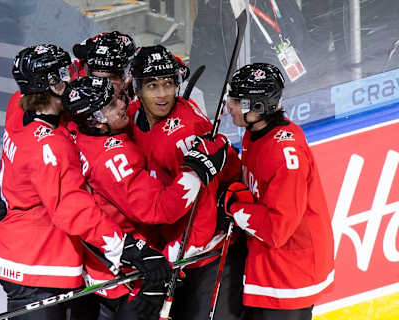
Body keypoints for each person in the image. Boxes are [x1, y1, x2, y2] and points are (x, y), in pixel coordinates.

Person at [0, 44, 171, 320]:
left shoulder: (17, 105)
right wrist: (124, 246)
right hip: (39, 263)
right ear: (54, 85)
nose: (74, 77)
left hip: (15, 250)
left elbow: (17, 164)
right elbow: (71, 207)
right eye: (66, 73)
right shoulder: (51, 146)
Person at [61, 75, 229, 320]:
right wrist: (196, 171)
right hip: (135, 272)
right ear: (95, 121)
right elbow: (161, 209)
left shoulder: (76, 131)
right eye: (111, 105)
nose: (122, 105)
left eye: (117, 98)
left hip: (107, 267)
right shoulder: (112, 160)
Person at [127, 44, 243, 319]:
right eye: (153, 85)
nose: (163, 94)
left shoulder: (183, 134)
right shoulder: (134, 114)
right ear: (138, 89)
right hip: (176, 244)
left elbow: (203, 207)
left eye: (168, 84)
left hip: (208, 252)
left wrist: (176, 256)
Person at [222, 62, 334, 320]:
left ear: (259, 106)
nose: (230, 105)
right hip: (271, 263)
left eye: (238, 100)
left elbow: (277, 228)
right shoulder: (255, 133)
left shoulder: (284, 154)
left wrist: (232, 206)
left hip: (292, 271)